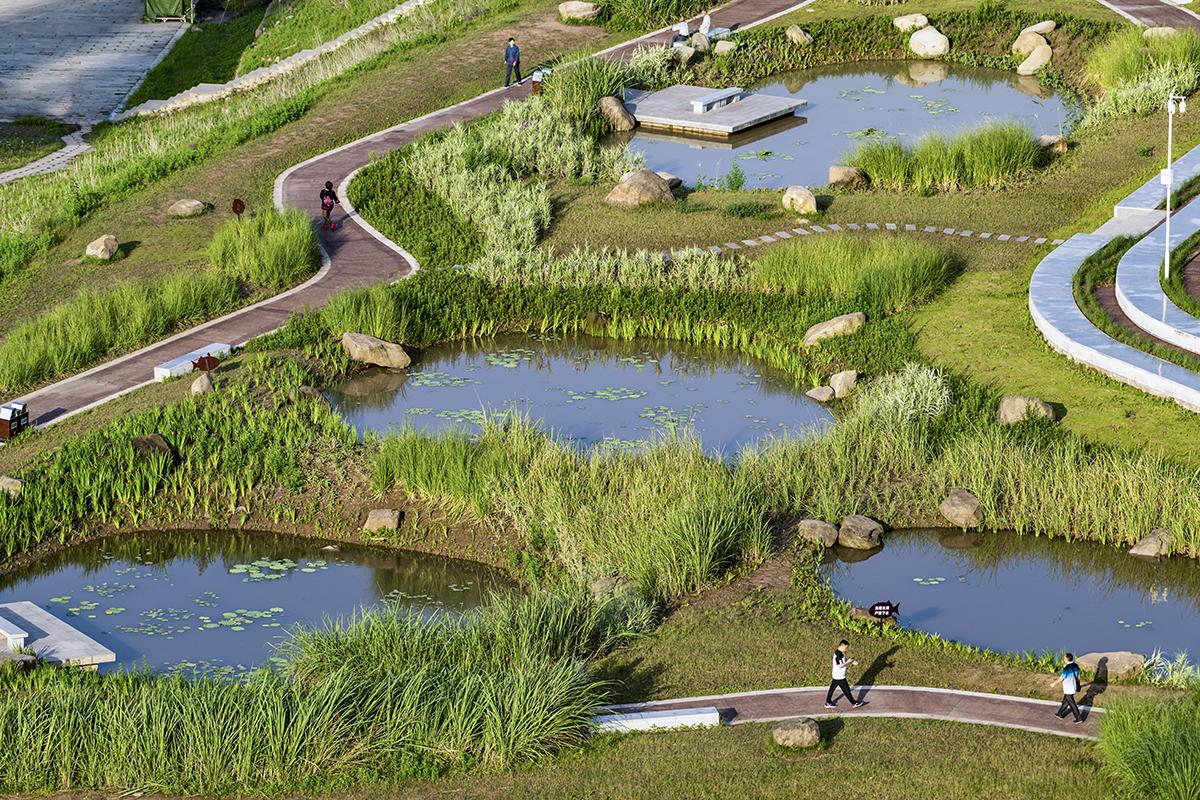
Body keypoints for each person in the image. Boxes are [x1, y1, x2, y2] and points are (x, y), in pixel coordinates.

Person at [825, 639, 866, 709]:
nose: (847, 649)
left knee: (832, 689)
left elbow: (844, 660)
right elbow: (840, 665)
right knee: (846, 690)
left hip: (837, 675)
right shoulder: (838, 654)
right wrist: (848, 662)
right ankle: (854, 703)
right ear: (842, 646)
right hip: (839, 676)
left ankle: (827, 702)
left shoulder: (840, 652)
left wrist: (852, 661)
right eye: (846, 648)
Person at [1056, 653, 1084, 723]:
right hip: (1073, 686)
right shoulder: (1075, 665)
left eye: (1064, 658)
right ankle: (1059, 713)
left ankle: (1078, 718)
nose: (1063, 659)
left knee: (1072, 703)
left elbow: (1061, 678)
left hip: (1068, 688)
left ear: (1066, 659)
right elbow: (1078, 676)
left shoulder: (1067, 668)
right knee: (1066, 700)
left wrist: (1054, 683)